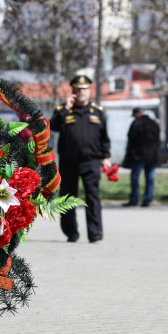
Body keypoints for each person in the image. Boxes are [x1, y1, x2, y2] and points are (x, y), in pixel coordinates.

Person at [50, 75, 112, 243]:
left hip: (91, 161)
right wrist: (64, 109)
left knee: (92, 196)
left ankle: (95, 232)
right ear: (73, 91)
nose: (82, 91)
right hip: (69, 161)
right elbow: (52, 127)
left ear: (90, 90)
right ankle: (71, 232)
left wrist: (106, 156)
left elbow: (104, 137)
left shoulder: (98, 111)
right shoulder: (63, 110)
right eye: (78, 88)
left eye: (85, 88)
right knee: (68, 198)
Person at [122, 107, 160, 207]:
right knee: (150, 179)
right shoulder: (154, 123)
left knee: (135, 177)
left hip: (138, 156)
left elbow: (131, 138)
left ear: (136, 114)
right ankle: (147, 200)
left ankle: (134, 199)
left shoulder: (136, 123)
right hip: (152, 156)